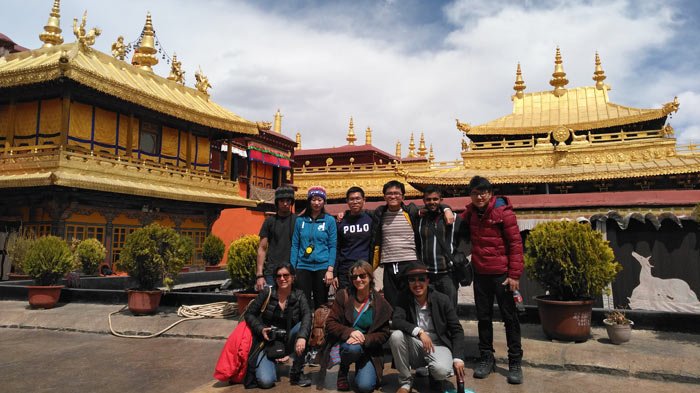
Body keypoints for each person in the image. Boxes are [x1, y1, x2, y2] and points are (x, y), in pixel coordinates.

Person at [459, 175, 524, 384]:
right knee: (483, 318)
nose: (480, 196)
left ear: (490, 193)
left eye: (483, 192)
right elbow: (457, 225)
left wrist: (514, 275)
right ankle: (486, 357)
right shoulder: (470, 213)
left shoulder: (504, 213)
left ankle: (515, 362)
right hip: (481, 274)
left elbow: (516, 244)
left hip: (502, 276)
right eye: (476, 193)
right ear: (471, 195)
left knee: (510, 319)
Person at [371, 180, 454, 306]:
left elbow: (433, 205)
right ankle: (396, 325)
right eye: (389, 193)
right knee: (391, 300)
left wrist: (447, 208)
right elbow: (361, 212)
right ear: (384, 197)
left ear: (403, 197)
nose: (393, 196)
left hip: (410, 262)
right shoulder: (379, 213)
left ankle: (413, 325)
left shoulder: (411, 211)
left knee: (412, 300)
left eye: (396, 193)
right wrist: (344, 213)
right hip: (389, 263)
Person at [389, 262, 466, 393]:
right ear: (408, 282)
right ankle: (406, 382)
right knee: (396, 336)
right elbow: (396, 321)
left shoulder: (442, 299)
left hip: (438, 346)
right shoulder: (403, 297)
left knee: (441, 371)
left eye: (421, 279)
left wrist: (458, 358)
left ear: (428, 280)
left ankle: (434, 375)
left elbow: (457, 330)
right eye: (412, 280)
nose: (417, 284)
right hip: (417, 344)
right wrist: (419, 331)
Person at [318, 260, 392, 392]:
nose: (358, 279)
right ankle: (343, 370)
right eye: (354, 277)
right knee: (353, 349)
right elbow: (330, 323)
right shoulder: (344, 295)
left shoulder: (381, 303)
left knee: (365, 387)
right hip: (347, 344)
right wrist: (349, 332)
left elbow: (385, 333)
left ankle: (362, 367)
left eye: (362, 276)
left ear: (370, 277)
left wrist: (365, 338)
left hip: (369, 349)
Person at [245, 264, 313, 388]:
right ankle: (272, 360)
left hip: (289, 339)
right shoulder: (267, 293)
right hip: (268, 342)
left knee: (302, 327)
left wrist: (302, 337)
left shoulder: (299, 295)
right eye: (278, 276)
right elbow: (249, 314)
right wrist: (260, 329)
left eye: (286, 275)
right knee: (266, 382)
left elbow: (307, 316)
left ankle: (297, 373)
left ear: (293, 277)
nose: (282, 279)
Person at [291, 186, 337, 309]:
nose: (316, 203)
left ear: (324, 202)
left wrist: (330, 270)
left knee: (321, 302)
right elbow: (295, 245)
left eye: (320, 200)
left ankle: (319, 327)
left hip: (322, 266)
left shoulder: (330, 221)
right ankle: (303, 327)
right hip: (303, 266)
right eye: (314, 200)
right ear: (309, 201)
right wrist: (292, 268)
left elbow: (332, 246)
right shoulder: (300, 221)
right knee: (302, 301)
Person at [417, 186, 461, 307]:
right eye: (428, 199)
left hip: (448, 274)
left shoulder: (453, 218)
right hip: (427, 274)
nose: (432, 202)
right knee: (431, 309)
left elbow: (465, 239)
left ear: (441, 199)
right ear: (424, 200)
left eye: (435, 199)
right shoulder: (419, 220)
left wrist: (446, 208)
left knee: (450, 309)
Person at [255, 186, 297, 291]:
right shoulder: (269, 221)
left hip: (292, 270)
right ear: (277, 202)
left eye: (288, 200)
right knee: (272, 304)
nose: (285, 203)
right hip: (272, 270)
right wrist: (259, 275)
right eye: (282, 200)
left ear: (292, 202)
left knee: (292, 304)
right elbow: (262, 248)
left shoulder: (298, 221)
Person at [334, 187, 375, 290]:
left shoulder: (371, 219)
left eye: (358, 198)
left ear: (364, 200)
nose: (355, 202)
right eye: (351, 199)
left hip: (365, 266)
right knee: (346, 300)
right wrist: (335, 273)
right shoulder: (341, 222)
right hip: (345, 268)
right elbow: (336, 247)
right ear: (347, 201)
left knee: (364, 300)